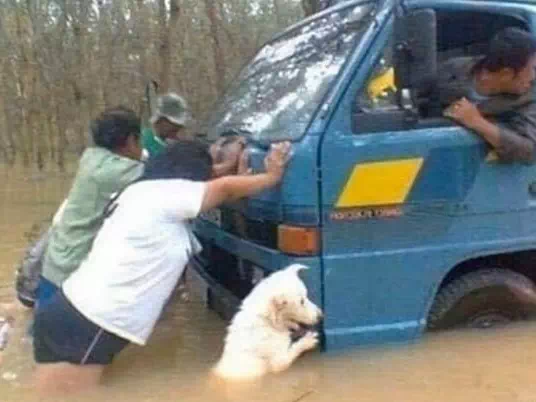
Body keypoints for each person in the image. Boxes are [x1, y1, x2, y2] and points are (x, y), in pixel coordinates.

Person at [32, 140, 292, 394]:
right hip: (90, 322)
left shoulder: (142, 193)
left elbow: (217, 184)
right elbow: (223, 188)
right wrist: (271, 176)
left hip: (73, 313)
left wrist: (240, 175)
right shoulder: (163, 194)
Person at [38, 107, 145, 306]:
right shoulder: (116, 171)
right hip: (70, 276)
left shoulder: (91, 157)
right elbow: (166, 177)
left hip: (55, 267)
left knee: (45, 333)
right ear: (131, 140)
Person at [438, 27, 536, 163]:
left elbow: (529, 151)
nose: (533, 76)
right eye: (532, 69)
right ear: (506, 74)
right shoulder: (451, 71)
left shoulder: (530, 97)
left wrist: (477, 122)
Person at [142, 92, 191, 158]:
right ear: (161, 120)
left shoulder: (175, 145)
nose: (176, 134)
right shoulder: (143, 141)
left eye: (179, 127)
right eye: (173, 128)